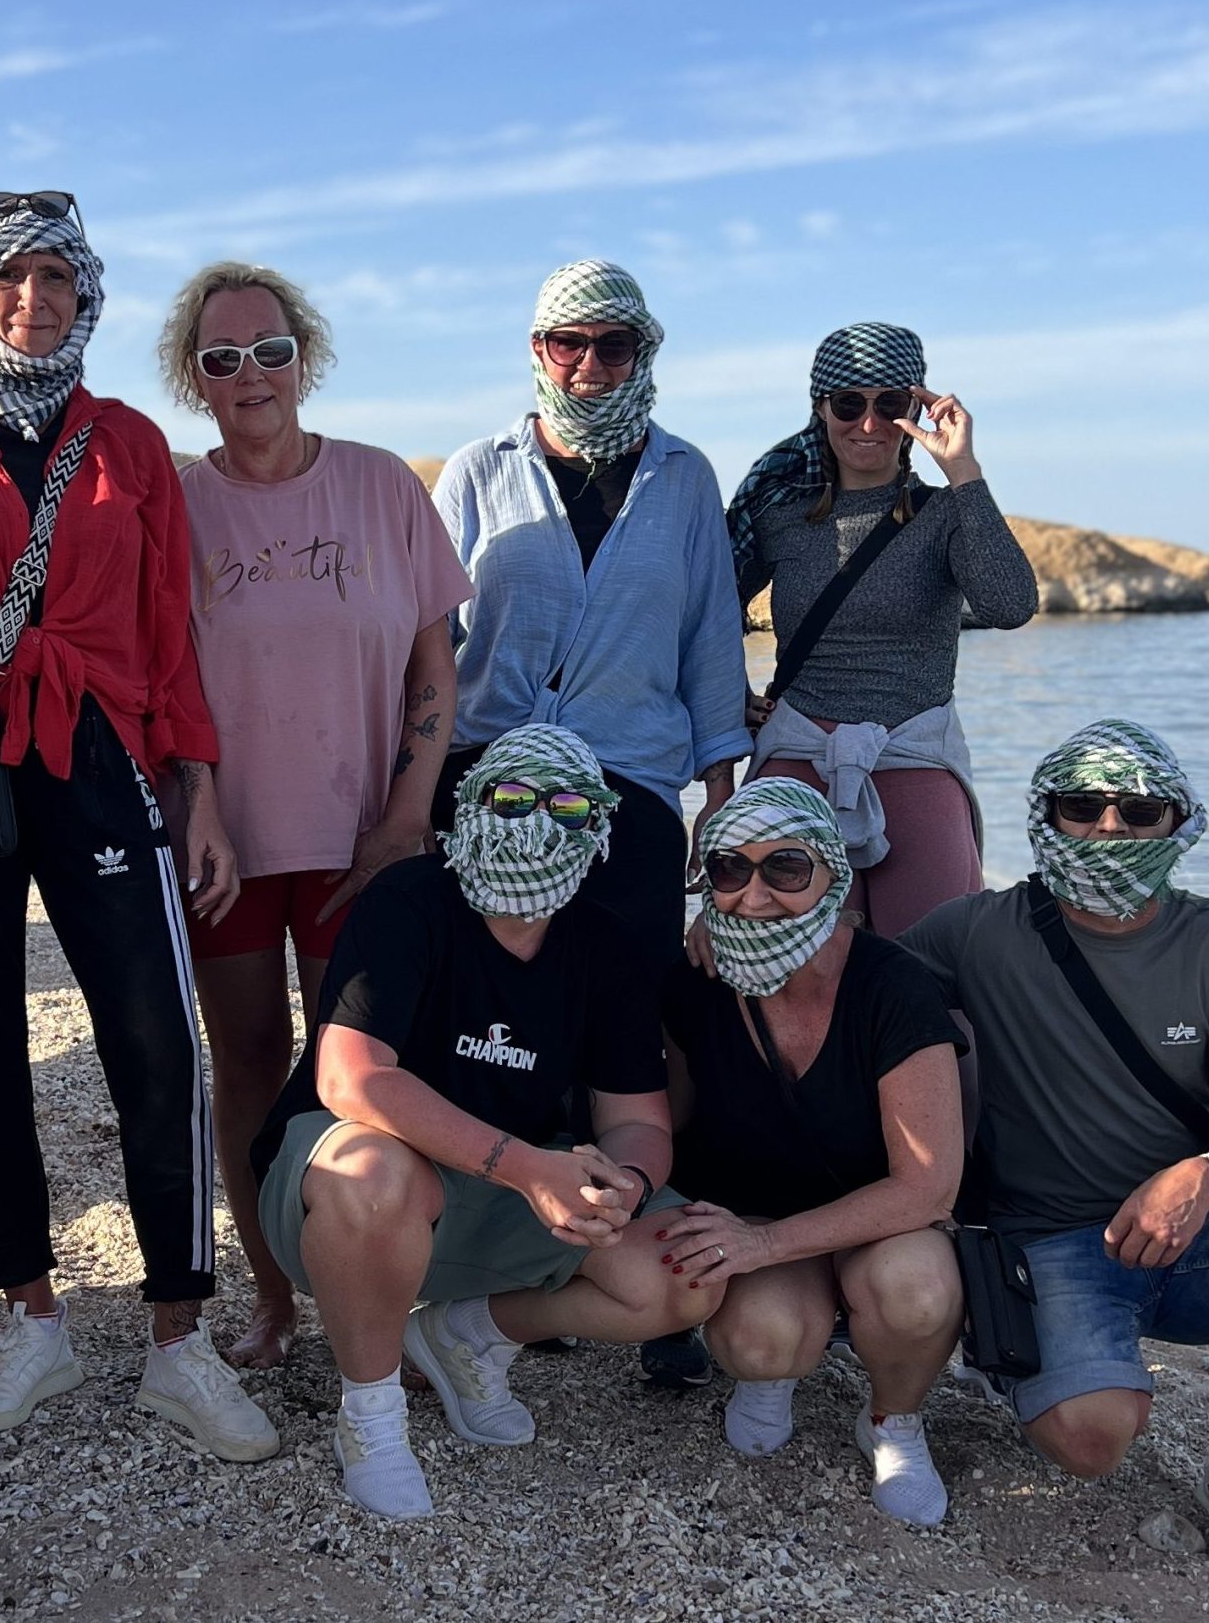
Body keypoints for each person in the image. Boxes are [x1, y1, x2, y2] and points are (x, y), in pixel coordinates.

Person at [0, 192, 276, 1461]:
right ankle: (30, 1317)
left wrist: (194, 784)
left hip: (98, 751)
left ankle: (177, 1339)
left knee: (155, 1029)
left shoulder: (130, 444)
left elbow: (165, 623)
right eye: (6, 281)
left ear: (85, 300)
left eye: (54, 281)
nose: (31, 301)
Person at [902, 720, 1209, 1580]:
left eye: (1139, 809)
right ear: (1045, 816)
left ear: (1176, 822)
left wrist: (1205, 1174)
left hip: (1207, 1234)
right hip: (1052, 1239)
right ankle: (1011, 1356)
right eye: (1081, 806)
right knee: (1089, 1441)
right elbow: (847, 988)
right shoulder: (975, 932)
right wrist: (719, 930)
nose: (1109, 828)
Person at [252, 726, 718, 1520]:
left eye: (568, 807)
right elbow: (349, 1075)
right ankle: (370, 1417)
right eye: (510, 798)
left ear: (600, 830)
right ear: (468, 807)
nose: (536, 821)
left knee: (685, 1272)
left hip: (507, 1188)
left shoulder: (606, 945)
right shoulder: (407, 899)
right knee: (376, 1176)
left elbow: (637, 1119)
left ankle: (468, 1335)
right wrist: (530, 1170)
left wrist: (623, 1186)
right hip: (351, 1186)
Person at [157, 259, 473, 1368]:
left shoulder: (384, 487)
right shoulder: (173, 502)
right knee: (248, 1063)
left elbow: (433, 664)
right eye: (222, 358)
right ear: (193, 380)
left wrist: (405, 818)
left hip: (365, 844)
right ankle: (276, 1300)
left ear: (307, 359)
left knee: (373, 1075)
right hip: (226, 848)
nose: (252, 374)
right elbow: (161, 681)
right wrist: (198, 810)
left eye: (272, 350)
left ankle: (388, 1294)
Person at [654, 779, 965, 1525]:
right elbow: (672, 1125)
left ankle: (893, 1421)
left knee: (917, 1290)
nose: (755, 895)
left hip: (880, 1217)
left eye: (786, 870)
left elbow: (928, 1188)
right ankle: (775, 1371)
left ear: (835, 875)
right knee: (760, 1344)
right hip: (755, 1203)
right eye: (731, 869)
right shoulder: (695, 981)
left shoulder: (894, 988)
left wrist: (760, 1245)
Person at [432, 260, 750, 959]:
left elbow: (711, 640)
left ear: (642, 352)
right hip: (489, 787)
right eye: (567, 342)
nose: (589, 364)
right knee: (492, 1013)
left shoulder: (686, 476)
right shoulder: (477, 471)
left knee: (626, 1020)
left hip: (631, 785)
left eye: (613, 345)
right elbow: (424, 649)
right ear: (537, 349)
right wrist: (406, 797)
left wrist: (719, 794)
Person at [725, 322, 1035, 938]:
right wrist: (734, 695)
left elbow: (1011, 605)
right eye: (849, 403)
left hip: (914, 757)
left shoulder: (946, 514)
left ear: (916, 409)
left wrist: (963, 470)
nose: (868, 424)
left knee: (932, 975)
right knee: (781, 963)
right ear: (820, 408)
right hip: (797, 761)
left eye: (889, 404)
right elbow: (707, 614)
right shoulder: (780, 516)